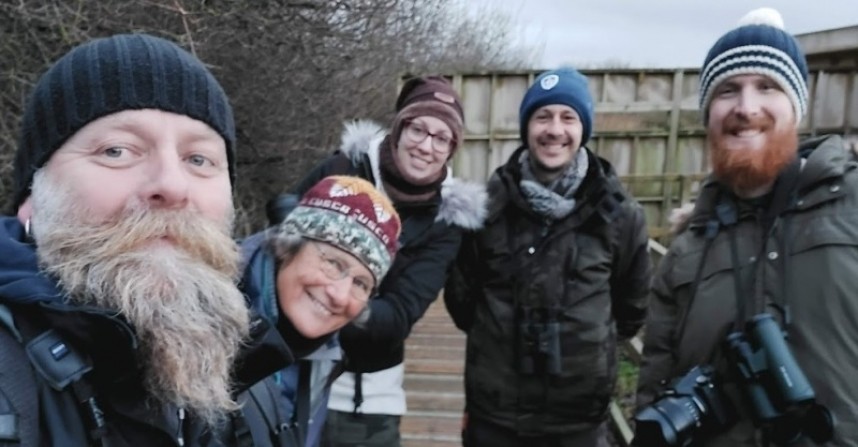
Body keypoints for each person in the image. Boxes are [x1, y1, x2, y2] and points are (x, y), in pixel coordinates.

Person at [0, 33, 395, 447]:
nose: (172, 184)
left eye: (198, 159)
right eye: (116, 150)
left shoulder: (237, 365)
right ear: (32, 195)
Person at [635, 8, 857, 447]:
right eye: (728, 90)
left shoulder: (850, 207)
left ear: (796, 107)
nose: (746, 107)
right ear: (708, 113)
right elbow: (655, 377)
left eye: (767, 87)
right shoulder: (688, 250)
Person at [267, 75, 487, 447]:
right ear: (400, 127)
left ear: (451, 149)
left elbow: (397, 316)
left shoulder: (445, 221)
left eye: (441, 138)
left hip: (362, 396)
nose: (425, 146)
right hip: (283, 373)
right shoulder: (342, 169)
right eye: (418, 129)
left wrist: (324, 299)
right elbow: (283, 224)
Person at [444, 67, 652, 447]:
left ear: (582, 130)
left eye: (568, 117)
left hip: (578, 423)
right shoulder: (487, 209)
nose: (554, 130)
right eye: (543, 116)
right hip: (495, 417)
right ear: (526, 127)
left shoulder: (621, 216)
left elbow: (631, 310)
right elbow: (462, 302)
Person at [241, 175, 402, 447]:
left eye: (361, 283)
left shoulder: (326, 352)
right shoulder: (203, 318)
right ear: (288, 246)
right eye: (333, 264)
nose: (339, 295)